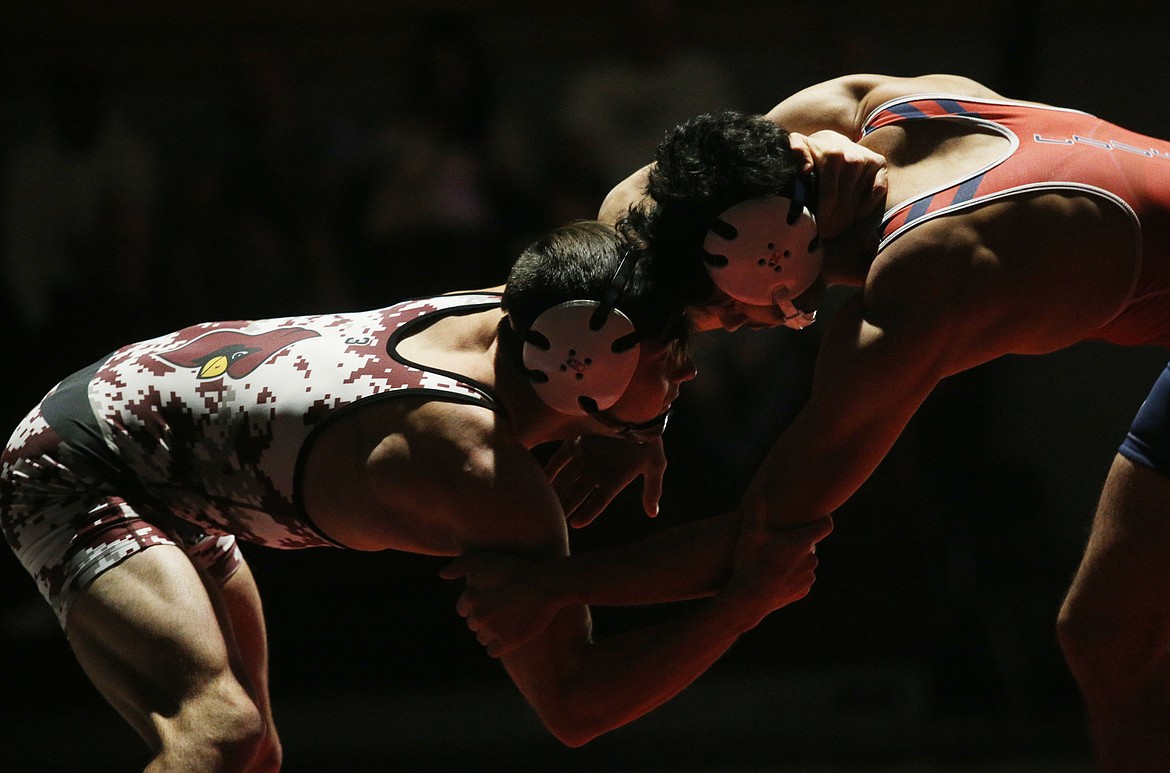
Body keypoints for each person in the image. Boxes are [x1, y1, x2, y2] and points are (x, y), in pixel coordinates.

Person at [448, 74, 1170, 772]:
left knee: (1110, 636)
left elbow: (768, 533)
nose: (733, 333)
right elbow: (633, 203)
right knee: (1106, 638)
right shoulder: (864, 110)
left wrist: (555, 585)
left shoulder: (928, 276)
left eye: (729, 313)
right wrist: (639, 419)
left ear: (771, 254)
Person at [0, 220, 832, 770]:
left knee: (255, 759)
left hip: (153, 427)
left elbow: (627, 267)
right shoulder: (479, 470)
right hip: (80, 465)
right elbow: (580, 703)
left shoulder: (519, 313)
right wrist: (743, 605)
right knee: (220, 731)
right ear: (589, 365)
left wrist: (637, 421)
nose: (687, 367)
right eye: (668, 354)